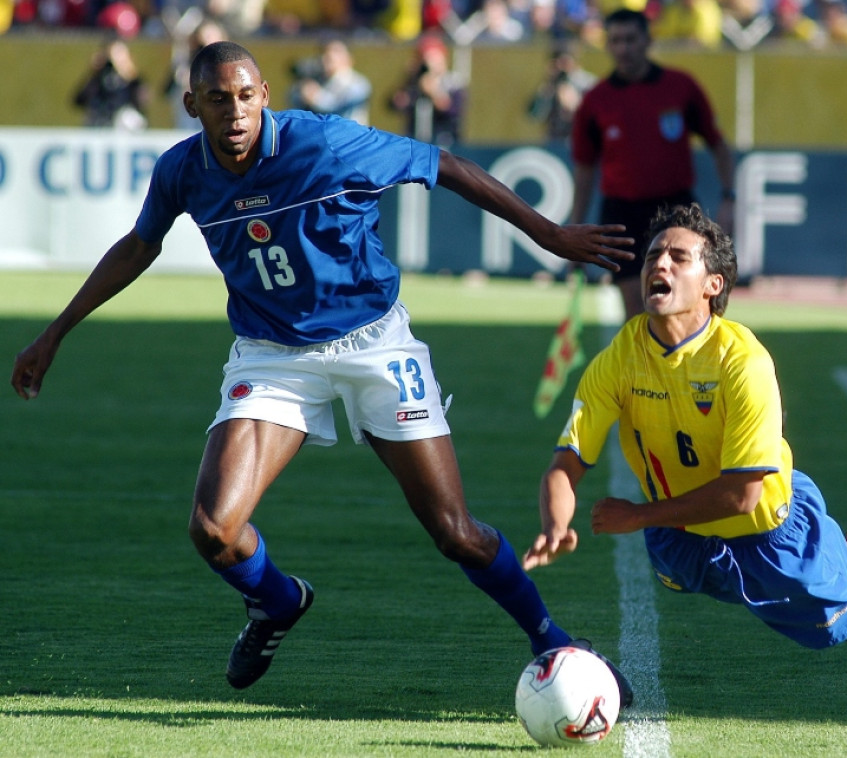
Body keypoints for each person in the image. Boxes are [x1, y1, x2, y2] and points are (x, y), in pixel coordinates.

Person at [11, 41, 635, 703]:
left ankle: (551, 637)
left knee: (454, 532)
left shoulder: (325, 144)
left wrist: (546, 233)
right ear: (191, 104)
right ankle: (278, 602)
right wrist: (56, 332)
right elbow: (141, 243)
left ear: (265, 95)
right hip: (272, 353)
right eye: (218, 100)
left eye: (247, 96)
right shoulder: (182, 171)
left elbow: (441, 163)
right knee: (213, 530)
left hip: (373, 343)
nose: (235, 112)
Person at [523, 203, 847, 652]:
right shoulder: (617, 360)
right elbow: (565, 464)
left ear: (712, 285)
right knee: (689, 570)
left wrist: (638, 516)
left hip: (765, 536)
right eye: (653, 255)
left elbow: (742, 496)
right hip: (678, 537)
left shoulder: (743, 361)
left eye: (679, 257)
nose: (659, 262)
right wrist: (555, 524)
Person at [569, 9, 735, 321]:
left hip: (677, 210)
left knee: (692, 304)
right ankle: (648, 370)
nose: (624, 48)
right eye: (616, 40)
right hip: (622, 214)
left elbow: (719, 145)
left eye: (631, 39)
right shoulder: (596, 101)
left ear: (647, 40)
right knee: (638, 307)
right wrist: (576, 228)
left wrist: (729, 198)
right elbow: (585, 170)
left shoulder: (680, 87)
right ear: (607, 45)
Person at [388, 33, 466, 146]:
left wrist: (433, 91)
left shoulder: (453, 82)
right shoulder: (414, 84)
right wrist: (407, 80)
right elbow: (396, 104)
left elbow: (452, 110)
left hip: (444, 140)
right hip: (416, 140)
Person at [288, 39, 373, 126]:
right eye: (324, 51)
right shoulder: (316, 80)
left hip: (350, 137)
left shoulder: (358, 83)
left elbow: (339, 109)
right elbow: (294, 108)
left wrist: (315, 98)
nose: (329, 55)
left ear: (349, 58)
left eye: (336, 51)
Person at [527, 42, 597, 144]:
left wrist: (576, 106)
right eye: (557, 62)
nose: (561, 67)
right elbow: (534, 115)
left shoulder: (587, 83)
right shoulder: (550, 84)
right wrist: (547, 89)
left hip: (581, 141)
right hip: (555, 141)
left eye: (564, 62)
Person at [73, 36, 148, 130]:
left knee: (127, 118)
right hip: (102, 122)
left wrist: (126, 74)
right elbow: (79, 100)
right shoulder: (101, 77)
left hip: (123, 126)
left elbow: (140, 104)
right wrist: (94, 72)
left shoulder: (134, 81)